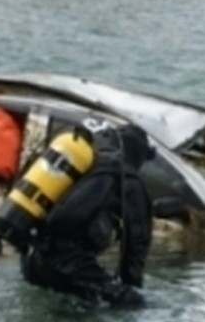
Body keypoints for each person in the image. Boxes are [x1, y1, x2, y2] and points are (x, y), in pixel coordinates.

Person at [20, 123, 153, 307]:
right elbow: (136, 247)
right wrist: (128, 292)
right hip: (69, 264)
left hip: (30, 258)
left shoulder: (83, 164)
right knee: (133, 302)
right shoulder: (127, 179)